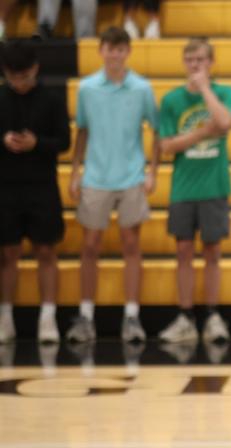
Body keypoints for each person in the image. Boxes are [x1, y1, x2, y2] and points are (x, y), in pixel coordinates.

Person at [67, 26, 159, 344]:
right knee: (89, 246)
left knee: (131, 246)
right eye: (110, 48)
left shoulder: (142, 88)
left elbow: (157, 130)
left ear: (128, 52)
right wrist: (74, 172)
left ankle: (132, 317)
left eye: (121, 49)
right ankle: (85, 316)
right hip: (95, 178)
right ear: (101, 50)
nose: (115, 54)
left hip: (132, 177)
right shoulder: (87, 88)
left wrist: (153, 172)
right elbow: (82, 131)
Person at [156, 38, 231, 344]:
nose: (195, 65)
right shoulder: (172, 100)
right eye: (190, 60)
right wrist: (203, 132)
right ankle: (185, 317)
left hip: (215, 185)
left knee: (213, 252)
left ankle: (213, 315)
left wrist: (204, 89)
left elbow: (225, 122)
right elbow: (166, 146)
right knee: (183, 252)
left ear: (211, 63)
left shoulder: (224, 92)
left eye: (201, 60)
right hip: (183, 188)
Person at [0, 40, 70, 344]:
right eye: (14, 77)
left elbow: (64, 142)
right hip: (5, 187)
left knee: (46, 250)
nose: (20, 83)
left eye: (25, 76)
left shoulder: (52, 99)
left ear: (36, 69)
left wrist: (36, 143)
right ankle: (5, 317)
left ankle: (48, 316)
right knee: (8, 253)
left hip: (43, 186)